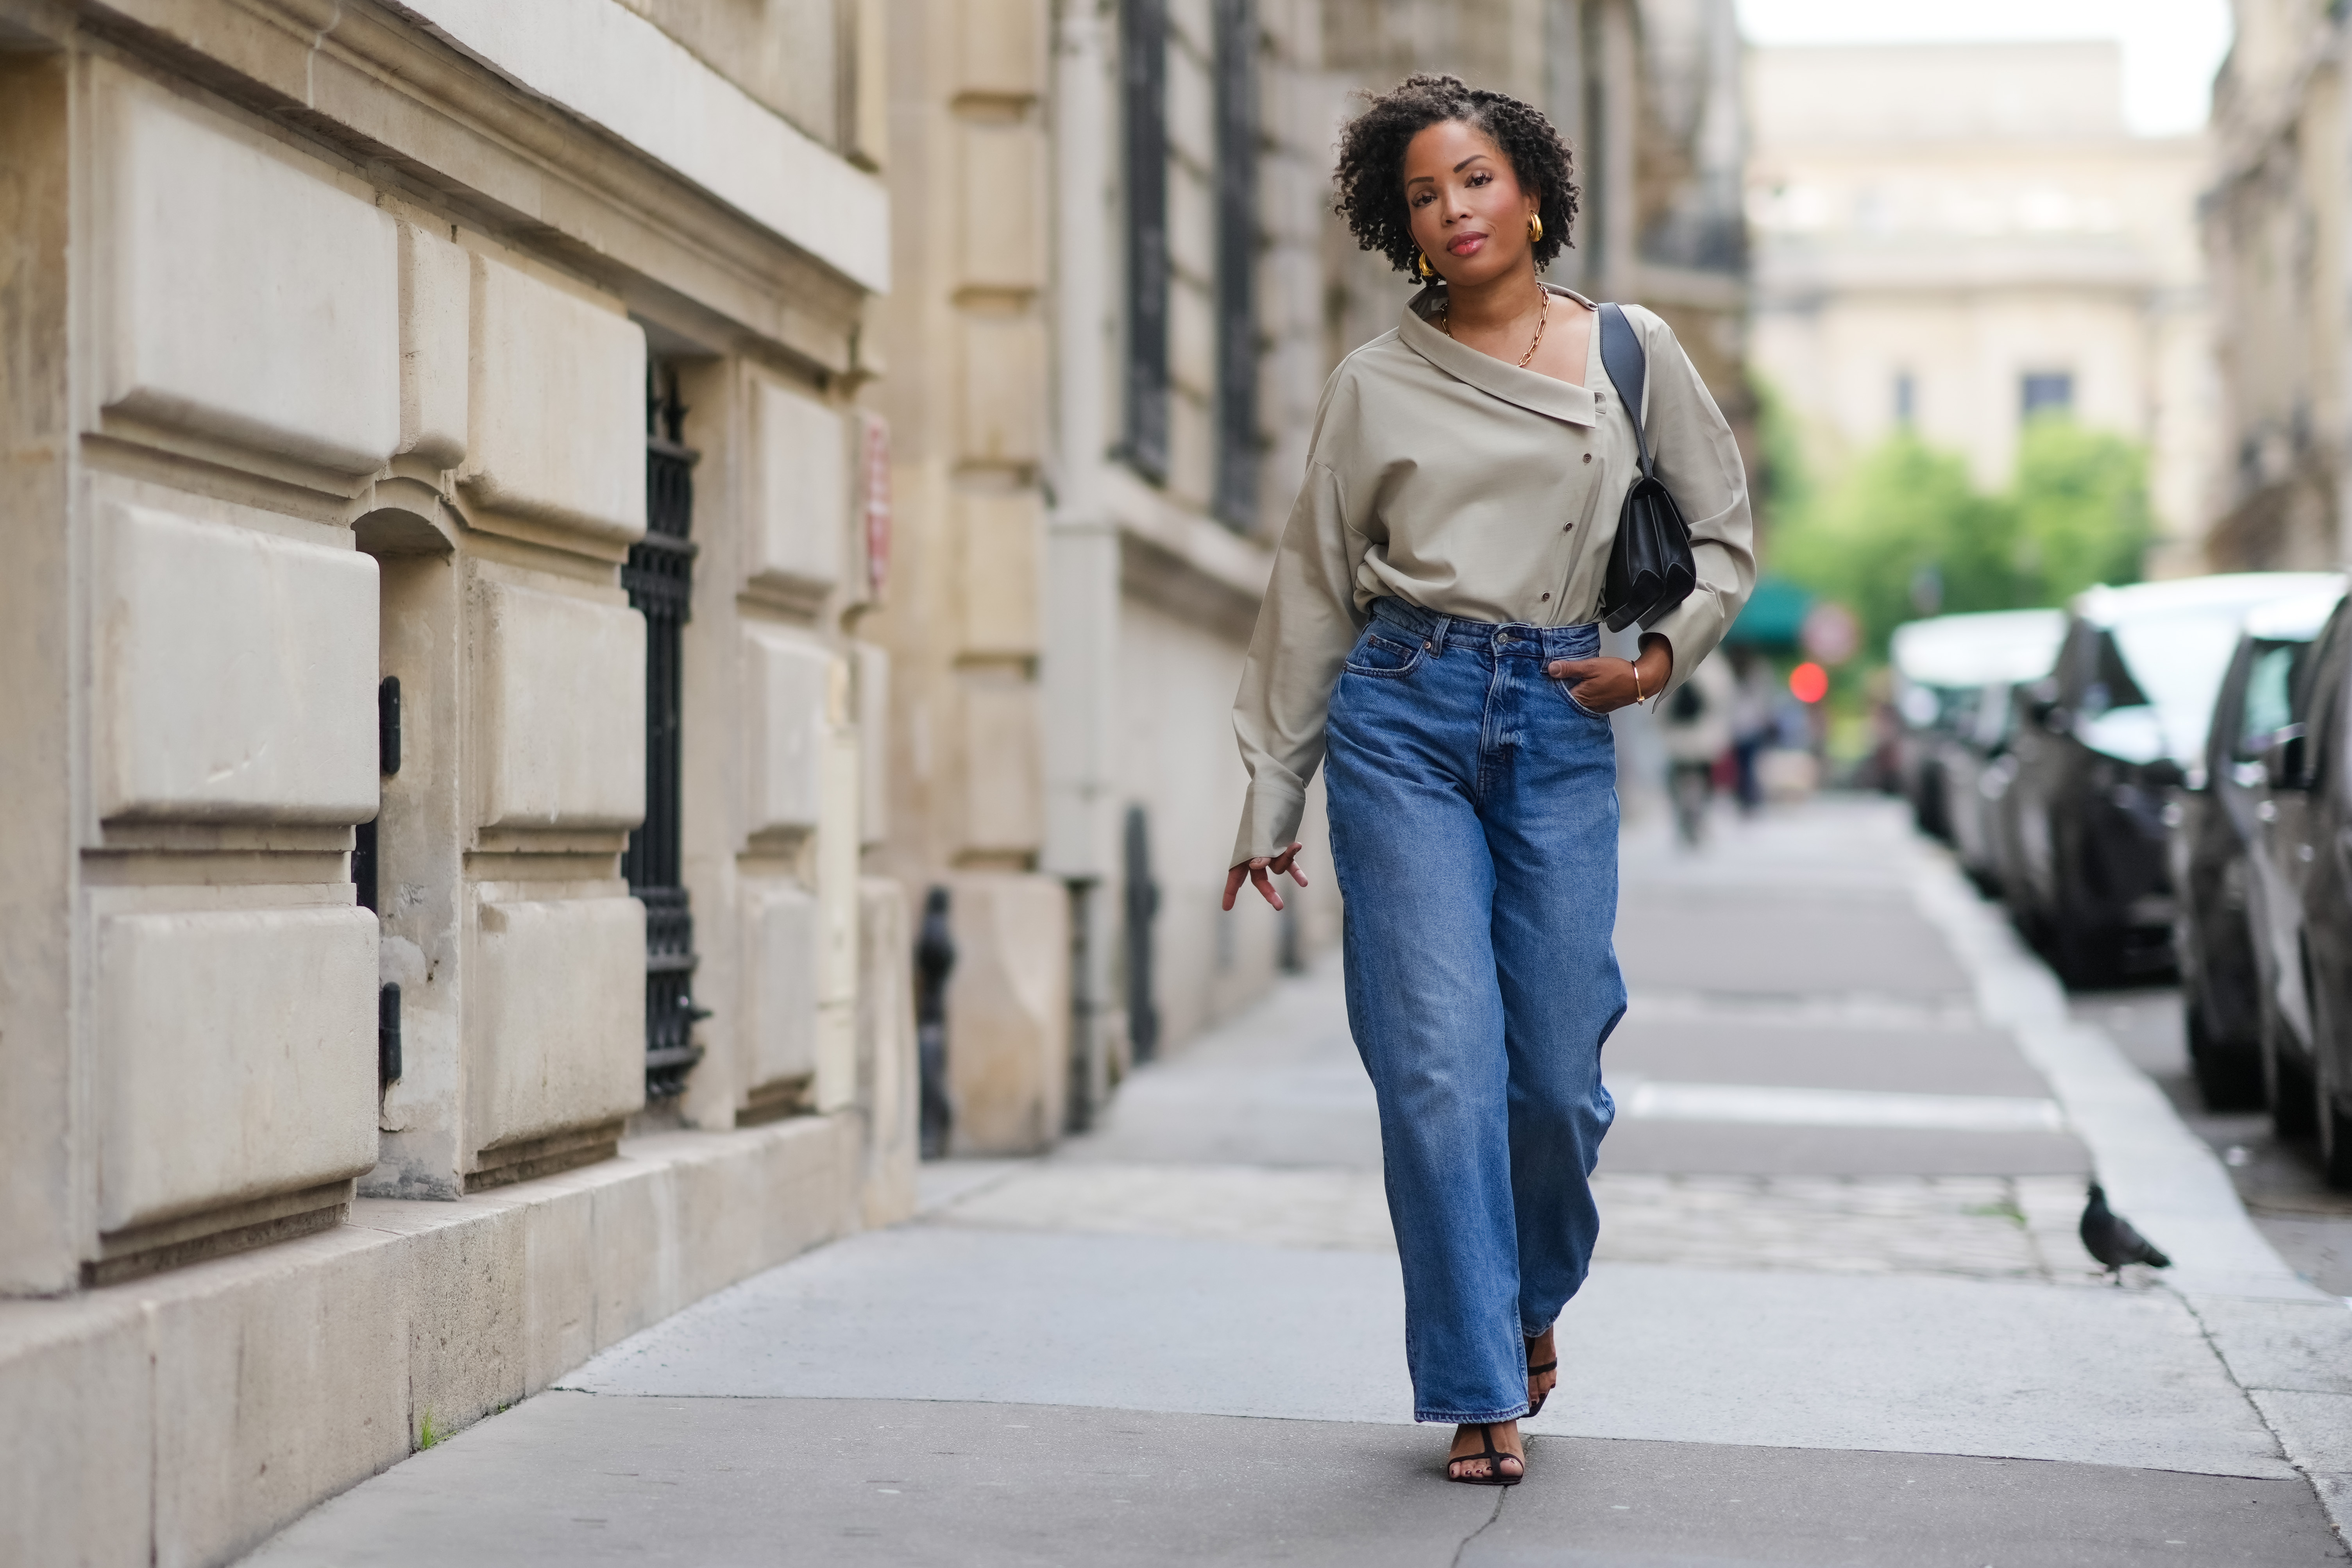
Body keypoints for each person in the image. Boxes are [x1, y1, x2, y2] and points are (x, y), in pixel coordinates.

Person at [1218, 75, 1754, 1485]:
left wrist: (1657, 660)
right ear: (1396, 227)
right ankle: (1476, 1383)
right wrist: (1274, 792)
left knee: (1560, 1073)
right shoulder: (1372, 382)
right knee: (1438, 1065)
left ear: (1528, 191)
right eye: (1419, 195)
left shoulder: (1632, 351)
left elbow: (1723, 540)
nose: (1450, 210)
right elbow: (1314, 590)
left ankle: (1524, 1299)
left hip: (1563, 713)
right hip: (1403, 716)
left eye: (1471, 179)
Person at [1660, 652, 1736, 846]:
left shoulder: (1673, 659)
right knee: (1703, 780)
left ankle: (1686, 819)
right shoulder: (1715, 666)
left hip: (1679, 737)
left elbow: (1660, 704)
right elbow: (1724, 702)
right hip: (1703, 737)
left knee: (1680, 779)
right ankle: (1697, 818)